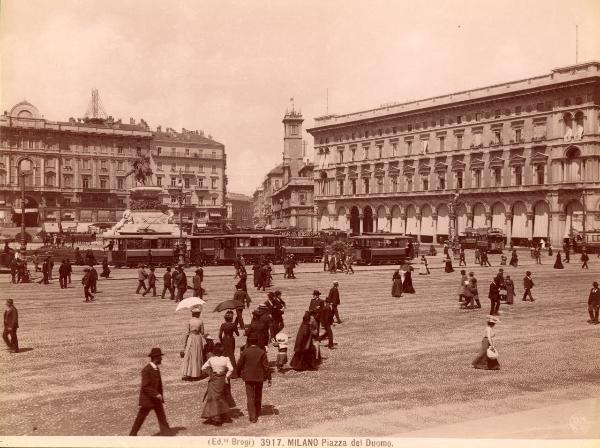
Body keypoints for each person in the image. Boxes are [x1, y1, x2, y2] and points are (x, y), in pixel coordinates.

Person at [129, 347, 173, 436]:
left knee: (162, 417)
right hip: (148, 400)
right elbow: (145, 386)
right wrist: (156, 394)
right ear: (156, 357)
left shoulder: (155, 368)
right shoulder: (146, 370)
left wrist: (158, 396)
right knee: (140, 418)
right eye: (160, 357)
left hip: (156, 400)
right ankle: (132, 435)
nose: (161, 359)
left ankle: (167, 434)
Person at [236, 334, 271, 423]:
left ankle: (253, 416)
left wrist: (238, 373)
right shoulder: (262, 352)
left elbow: (239, 364)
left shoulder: (245, 351)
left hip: (248, 377)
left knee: (250, 396)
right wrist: (269, 377)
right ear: (256, 342)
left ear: (249, 342)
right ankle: (258, 411)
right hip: (259, 377)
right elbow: (266, 366)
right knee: (258, 394)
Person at [200, 343, 235, 426]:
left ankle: (215, 417)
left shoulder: (211, 359)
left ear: (214, 351)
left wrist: (210, 373)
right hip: (222, 379)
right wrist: (226, 376)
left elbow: (203, 368)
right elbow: (231, 369)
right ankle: (222, 414)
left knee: (213, 398)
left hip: (214, 380)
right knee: (221, 397)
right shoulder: (226, 359)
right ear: (222, 351)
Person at [180, 306, 206, 381]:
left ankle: (189, 373)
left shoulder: (189, 321)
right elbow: (202, 332)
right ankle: (196, 373)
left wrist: (184, 344)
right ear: (198, 314)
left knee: (189, 356)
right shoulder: (200, 321)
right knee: (197, 355)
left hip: (191, 338)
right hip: (197, 338)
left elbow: (186, 333)